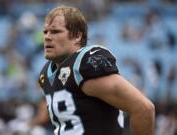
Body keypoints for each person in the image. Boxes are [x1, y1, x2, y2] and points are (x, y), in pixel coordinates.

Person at [38, 5, 155, 135]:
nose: (47, 37)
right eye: (45, 32)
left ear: (77, 36)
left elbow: (143, 108)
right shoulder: (46, 73)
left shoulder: (84, 64)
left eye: (55, 32)